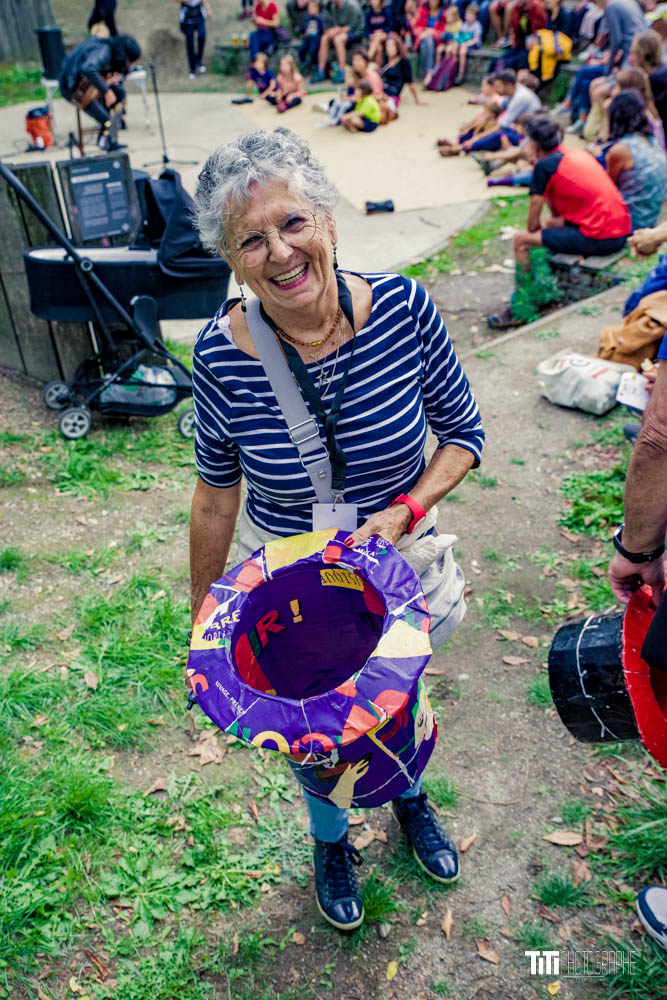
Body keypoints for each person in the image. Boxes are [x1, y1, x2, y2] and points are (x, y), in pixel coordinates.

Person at [190, 126, 484, 932]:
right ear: (230, 257)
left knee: (400, 698)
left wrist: (404, 511)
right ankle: (330, 838)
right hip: (293, 588)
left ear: (326, 221)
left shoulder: (400, 308)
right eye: (250, 239)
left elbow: (463, 436)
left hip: (396, 572)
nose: (279, 252)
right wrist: (203, 620)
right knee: (314, 732)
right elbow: (216, 493)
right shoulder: (221, 358)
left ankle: (407, 798)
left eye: (291, 223)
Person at [488, 114, 632, 328]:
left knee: (522, 240)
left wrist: (534, 231)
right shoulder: (575, 154)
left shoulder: (544, 166)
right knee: (552, 227)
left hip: (601, 236)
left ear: (534, 144)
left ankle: (522, 304)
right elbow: (556, 215)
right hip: (619, 229)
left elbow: (532, 222)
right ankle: (546, 282)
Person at [58, 33, 140, 150]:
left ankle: (109, 139)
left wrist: (109, 79)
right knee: (105, 117)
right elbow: (88, 68)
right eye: (130, 60)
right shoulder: (104, 50)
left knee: (119, 93)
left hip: (84, 85)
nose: (130, 64)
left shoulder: (107, 49)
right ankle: (105, 140)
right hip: (72, 88)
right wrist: (106, 91)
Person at [605, 91, 667, 230]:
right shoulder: (652, 141)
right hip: (651, 219)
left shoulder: (621, 150)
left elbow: (606, 188)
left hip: (631, 222)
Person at [311, 0, 365, 82]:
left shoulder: (352, 5)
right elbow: (335, 25)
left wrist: (337, 30)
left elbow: (352, 27)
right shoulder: (333, 6)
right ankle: (320, 72)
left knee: (338, 39)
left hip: (355, 33)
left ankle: (342, 72)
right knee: (325, 38)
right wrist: (332, 31)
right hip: (342, 32)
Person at [629, 30, 667, 137]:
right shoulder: (660, 71)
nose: (629, 58)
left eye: (633, 53)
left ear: (642, 55)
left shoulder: (656, 79)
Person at [413, 0, 448, 85]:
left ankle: (427, 73)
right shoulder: (423, 10)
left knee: (427, 42)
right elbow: (416, 28)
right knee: (426, 43)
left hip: (437, 40)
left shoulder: (444, 12)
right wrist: (424, 31)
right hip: (423, 39)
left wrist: (433, 32)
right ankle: (429, 73)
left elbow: (445, 31)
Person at [379, 33, 422, 103]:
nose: (388, 49)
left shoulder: (404, 62)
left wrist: (417, 100)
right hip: (382, 89)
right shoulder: (385, 59)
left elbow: (410, 82)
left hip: (393, 92)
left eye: (391, 46)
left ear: (397, 47)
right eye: (387, 46)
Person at [177, 0, 211, 79]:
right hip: (187, 17)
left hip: (199, 14)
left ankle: (199, 61)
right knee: (190, 42)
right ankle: (192, 68)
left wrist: (208, 8)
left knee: (202, 36)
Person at [298, 0, 325, 68]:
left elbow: (323, 29)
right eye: (309, 8)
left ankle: (315, 64)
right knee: (301, 48)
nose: (310, 10)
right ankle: (302, 62)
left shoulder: (320, 17)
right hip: (308, 38)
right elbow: (306, 27)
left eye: (312, 8)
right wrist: (305, 33)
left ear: (317, 9)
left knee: (312, 51)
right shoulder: (307, 18)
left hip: (316, 39)